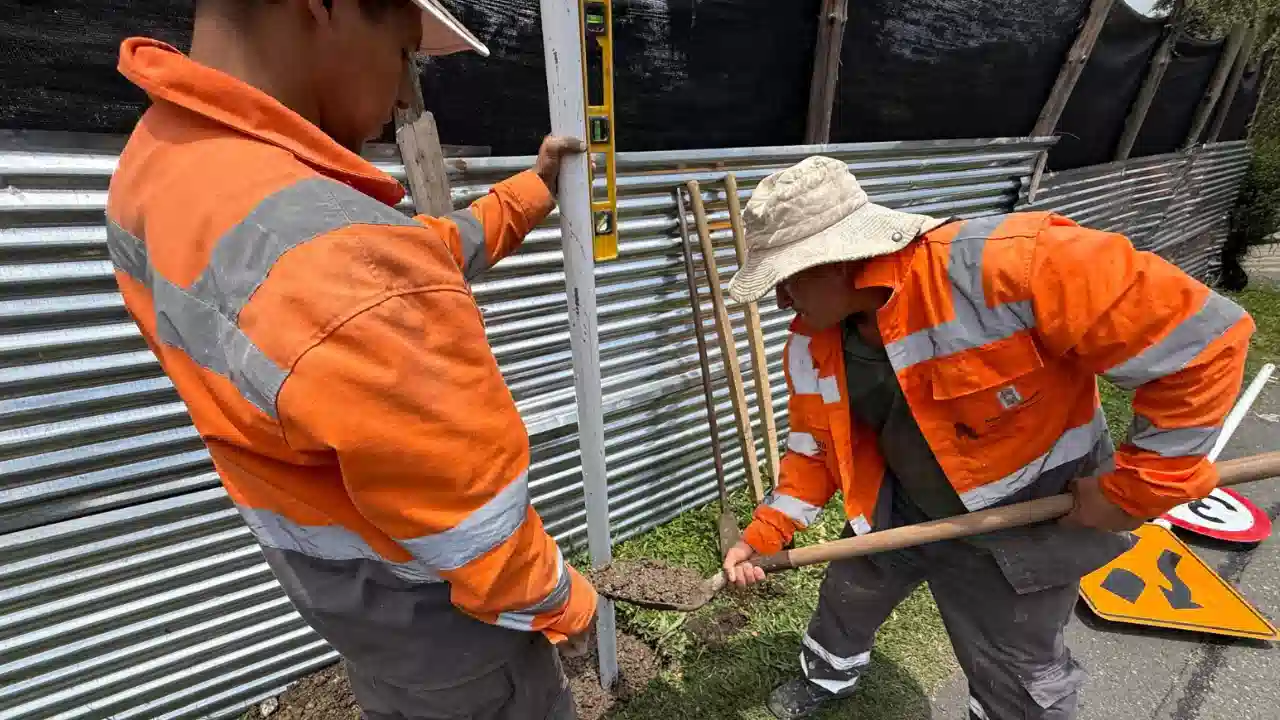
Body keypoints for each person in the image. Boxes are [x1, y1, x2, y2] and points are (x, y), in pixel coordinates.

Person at [105, 1, 595, 717]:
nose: (403, 91)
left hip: (356, 614)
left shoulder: (155, 170)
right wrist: (566, 604)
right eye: (402, 52)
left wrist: (529, 193)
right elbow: (477, 529)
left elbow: (405, 260)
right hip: (454, 640)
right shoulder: (342, 257)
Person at [721, 156, 1253, 720]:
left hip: (1025, 519)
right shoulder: (812, 342)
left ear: (834, 259)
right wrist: (768, 532)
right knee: (847, 599)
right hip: (897, 507)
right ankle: (827, 678)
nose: (780, 302)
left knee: (1020, 679)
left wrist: (1135, 492)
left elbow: (1206, 341)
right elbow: (815, 450)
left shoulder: (1013, 264)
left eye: (784, 279)